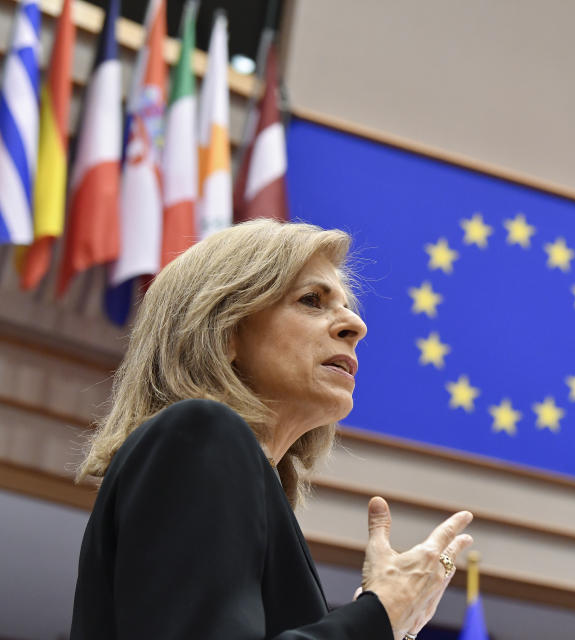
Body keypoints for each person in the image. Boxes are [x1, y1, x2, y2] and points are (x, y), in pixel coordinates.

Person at [69, 219, 473, 640]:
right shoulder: (199, 432)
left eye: (346, 305)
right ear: (225, 333)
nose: (355, 325)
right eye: (312, 300)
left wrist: (391, 620)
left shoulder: (225, 466)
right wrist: (381, 614)